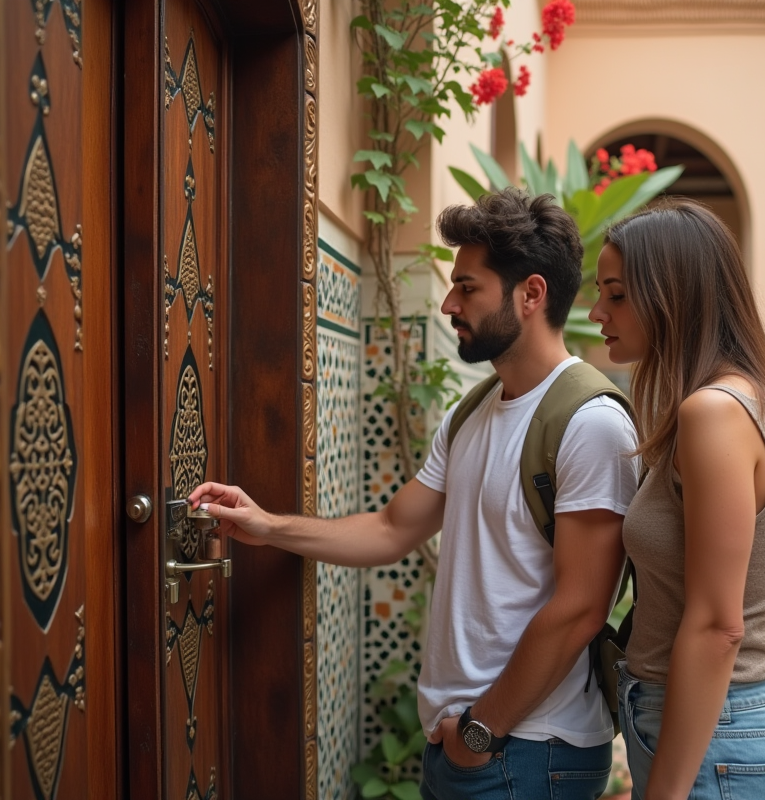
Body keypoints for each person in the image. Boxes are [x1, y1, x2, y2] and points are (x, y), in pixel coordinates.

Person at [191, 187, 640, 800]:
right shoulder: (472, 411)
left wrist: (480, 732)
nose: (450, 303)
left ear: (531, 294)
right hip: (466, 743)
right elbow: (392, 528)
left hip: (530, 750)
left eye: (468, 288)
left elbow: (581, 607)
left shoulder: (591, 423)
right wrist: (267, 525)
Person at [588, 200, 765, 800]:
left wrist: (667, 791)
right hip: (717, 728)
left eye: (616, 294)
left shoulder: (715, 413)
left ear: (672, 294)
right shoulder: (747, 399)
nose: (597, 312)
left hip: (715, 736)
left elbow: (718, 626)